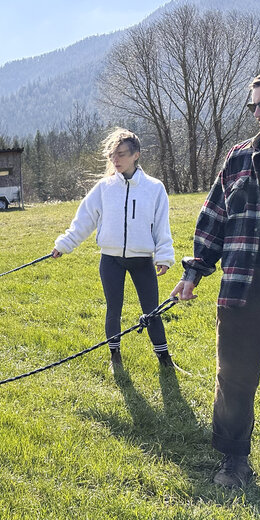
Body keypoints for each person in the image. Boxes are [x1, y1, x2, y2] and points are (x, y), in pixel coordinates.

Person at [172, 63, 260, 489]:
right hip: (244, 282)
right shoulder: (239, 156)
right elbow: (214, 217)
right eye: (253, 106)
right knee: (234, 377)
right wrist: (194, 271)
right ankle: (234, 459)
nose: (257, 113)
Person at [52, 128, 175, 369]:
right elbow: (84, 221)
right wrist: (64, 245)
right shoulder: (104, 188)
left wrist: (163, 256)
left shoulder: (154, 188)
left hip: (142, 260)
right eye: (112, 155)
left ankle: (164, 358)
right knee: (113, 309)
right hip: (111, 259)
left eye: (121, 154)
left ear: (136, 155)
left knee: (152, 310)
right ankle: (115, 356)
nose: (115, 160)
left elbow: (162, 226)